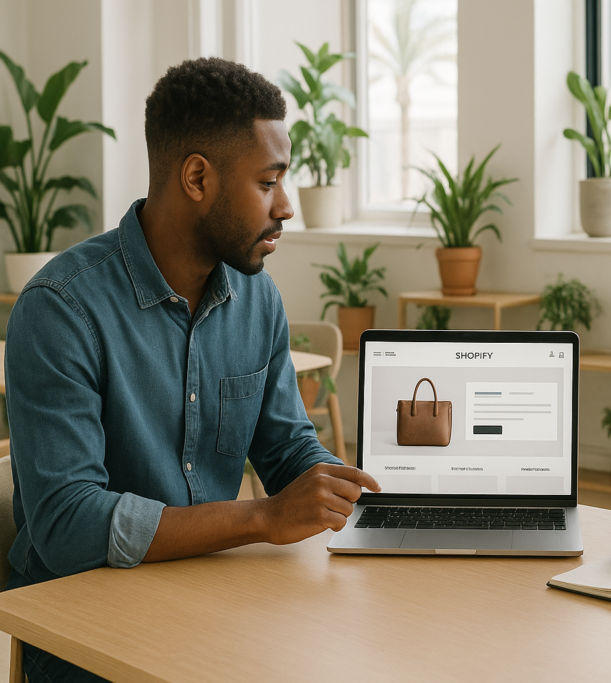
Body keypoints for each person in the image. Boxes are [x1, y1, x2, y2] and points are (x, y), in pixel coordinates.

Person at [5, 57, 380, 681]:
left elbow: (286, 447)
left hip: (213, 599)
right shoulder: (61, 309)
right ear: (198, 178)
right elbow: (66, 526)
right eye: (268, 182)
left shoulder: (257, 298)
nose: (286, 206)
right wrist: (262, 517)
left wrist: (364, 495)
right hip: (81, 631)